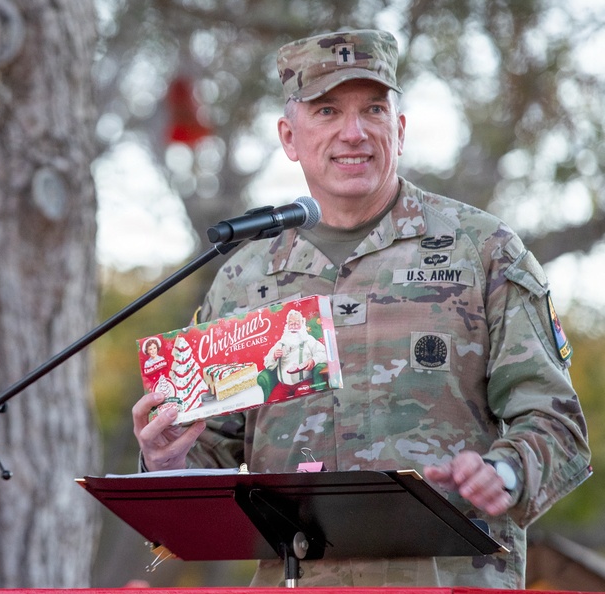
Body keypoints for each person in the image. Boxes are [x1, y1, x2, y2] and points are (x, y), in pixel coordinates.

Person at [131, 29, 592, 588]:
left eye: (373, 109)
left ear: (398, 129)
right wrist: (165, 462)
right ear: (289, 136)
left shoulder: (483, 251)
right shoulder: (243, 277)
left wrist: (505, 472)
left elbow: (556, 423)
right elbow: (210, 456)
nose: (354, 132)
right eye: (327, 111)